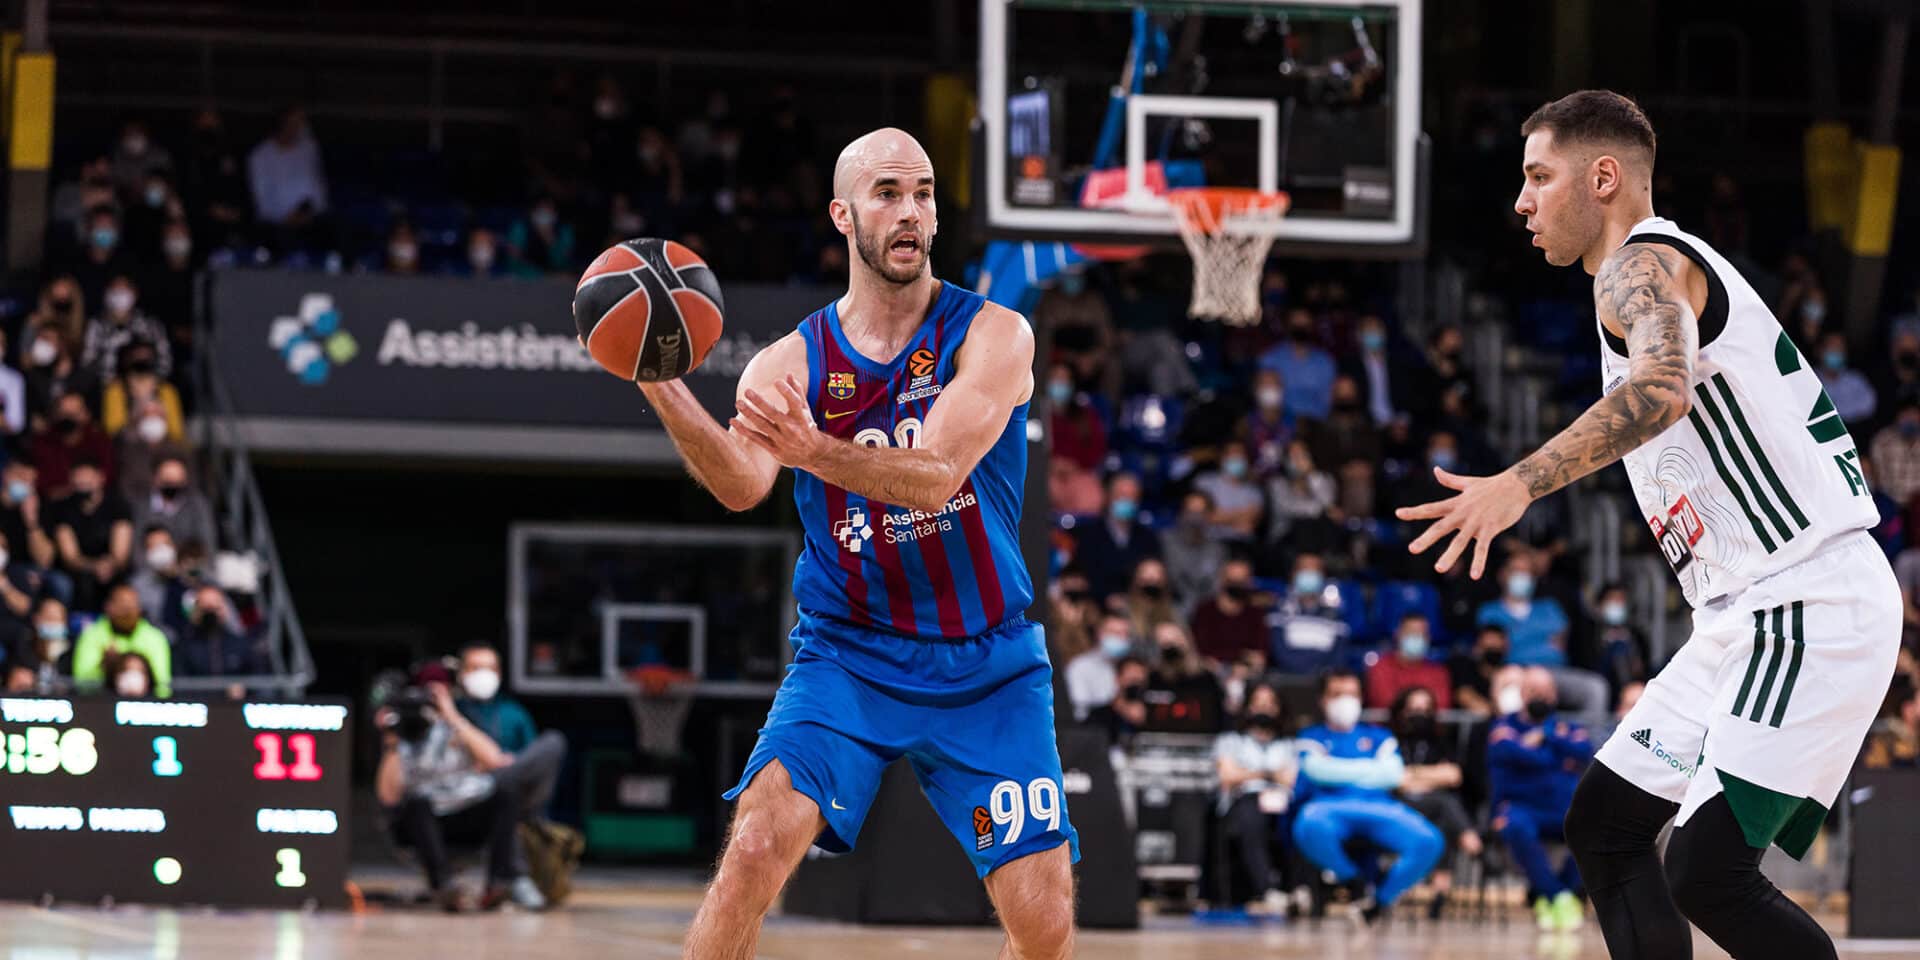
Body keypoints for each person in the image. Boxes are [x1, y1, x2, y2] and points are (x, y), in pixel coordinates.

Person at [1398, 90, 1898, 960]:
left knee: (1708, 873)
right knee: (1605, 826)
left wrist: (1518, 485)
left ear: (1603, 177)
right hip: (1742, 612)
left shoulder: (1642, 265)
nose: (1521, 201)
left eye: (1539, 177)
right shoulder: (1641, 276)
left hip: (1806, 597)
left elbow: (1662, 391)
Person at [639, 129, 1075, 958]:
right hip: (850, 657)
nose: (910, 211)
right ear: (843, 215)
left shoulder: (994, 335)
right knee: (755, 847)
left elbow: (936, 475)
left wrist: (815, 451)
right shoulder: (789, 363)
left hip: (986, 665)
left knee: (1043, 919)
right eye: (887, 193)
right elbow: (742, 484)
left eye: (923, 194)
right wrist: (659, 383)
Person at [375, 670, 548, 913]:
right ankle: (444, 887)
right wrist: (392, 741)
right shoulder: (399, 741)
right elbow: (388, 797)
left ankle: (500, 883)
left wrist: (451, 716)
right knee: (416, 802)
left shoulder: (456, 727)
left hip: (466, 814)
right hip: (424, 824)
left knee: (506, 790)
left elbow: (495, 760)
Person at [1291, 669, 1445, 924]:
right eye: (1337, 694)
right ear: (1323, 700)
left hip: (1381, 809)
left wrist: (1336, 769)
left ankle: (1379, 901)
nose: (1345, 701)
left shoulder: (1379, 736)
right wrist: (1371, 770)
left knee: (1429, 841)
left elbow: (1393, 775)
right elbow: (1316, 771)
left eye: (1351, 694)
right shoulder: (1311, 735)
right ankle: (1354, 881)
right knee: (1308, 824)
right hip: (1328, 808)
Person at [1488, 667, 1593, 932]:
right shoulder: (1503, 728)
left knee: (1593, 830)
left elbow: (1585, 752)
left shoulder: (1566, 727)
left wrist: (1546, 737)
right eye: (1534, 691)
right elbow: (1518, 754)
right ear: (1522, 694)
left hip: (1561, 809)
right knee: (1516, 826)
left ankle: (1547, 895)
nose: (1540, 697)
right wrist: (1558, 754)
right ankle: (1559, 897)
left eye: (1546, 692)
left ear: (1554, 696)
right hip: (1521, 807)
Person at [1388, 685, 1483, 919]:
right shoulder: (1390, 741)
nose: (1420, 714)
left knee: (1442, 822)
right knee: (1444, 802)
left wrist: (1413, 776)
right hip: (1397, 806)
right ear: (1401, 711)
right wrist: (1430, 776)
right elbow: (1393, 779)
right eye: (1414, 709)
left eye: (1425, 709)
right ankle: (1470, 839)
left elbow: (1453, 775)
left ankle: (1439, 894)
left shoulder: (1440, 742)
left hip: (1430, 806)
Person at [1212, 682, 1296, 913]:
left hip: (1282, 802)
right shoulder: (1231, 741)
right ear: (1248, 707)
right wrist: (1269, 774)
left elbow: (1291, 779)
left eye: (1270, 704)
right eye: (1258, 703)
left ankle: (1297, 889)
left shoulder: (1289, 744)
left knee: (1300, 819)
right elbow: (1228, 776)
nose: (1264, 709)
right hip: (1244, 801)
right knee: (1251, 816)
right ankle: (1267, 890)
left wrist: (1249, 772)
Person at [52, 460, 132, 613]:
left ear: (101, 477)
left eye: (88, 476)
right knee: (72, 583)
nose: (83, 481)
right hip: (78, 571)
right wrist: (94, 567)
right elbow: (70, 557)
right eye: (78, 476)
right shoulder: (63, 508)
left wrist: (109, 565)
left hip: (113, 570)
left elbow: (121, 554)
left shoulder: (118, 505)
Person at [72, 583, 171, 697]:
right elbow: (82, 685)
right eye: (122, 607)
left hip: (146, 703)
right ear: (108, 607)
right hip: (101, 702)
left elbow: (163, 689)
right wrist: (104, 668)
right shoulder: (91, 635)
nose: (127, 613)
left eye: (131, 607)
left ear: (139, 610)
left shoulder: (155, 638)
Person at [1075, 471, 1161, 601]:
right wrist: (1106, 598)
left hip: (1139, 604)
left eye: (1132, 496)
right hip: (1098, 603)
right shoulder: (1089, 535)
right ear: (1108, 497)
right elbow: (1084, 576)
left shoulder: (1148, 537)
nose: (1126, 501)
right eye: (1121, 495)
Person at [1268, 553, 1351, 675]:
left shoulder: (1336, 614)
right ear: (1293, 574)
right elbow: (1278, 651)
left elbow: (1338, 656)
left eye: (1314, 570)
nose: (1309, 574)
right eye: (1304, 569)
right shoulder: (1279, 609)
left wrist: (1321, 676)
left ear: (1323, 576)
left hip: (1324, 680)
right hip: (1286, 679)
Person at [81, 278, 171, 382]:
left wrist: (145, 383)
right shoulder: (96, 325)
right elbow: (87, 362)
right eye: (115, 290)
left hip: (147, 386)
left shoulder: (151, 326)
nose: (119, 295)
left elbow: (165, 363)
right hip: (105, 386)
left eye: (123, 290)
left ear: (135, 293)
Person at [1189, 558, 1271, 670]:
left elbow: (1259, 655)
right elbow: (1200, 652)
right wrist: (1242, 655)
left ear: (1249, 582)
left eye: (1242, 581)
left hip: (1246, 673)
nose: (1237, 585)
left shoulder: (1255, 614)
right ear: (1222, 579)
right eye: (1232, 581)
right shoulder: (1205, 611)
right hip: (1211, 672)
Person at [130, 456, 217, 558]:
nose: (173, 483)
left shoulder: (197, 505)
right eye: (168, 478)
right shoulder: (142, 507)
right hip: (152, 565)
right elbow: (136, 550)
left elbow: (207, 544)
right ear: (155, 478)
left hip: (189, 564)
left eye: (178, 479)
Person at [31, 393, 113, 500]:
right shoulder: (42, 443)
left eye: (75, 413)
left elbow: (108, 476)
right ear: (54, 415)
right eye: (63, 413)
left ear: (87, 414)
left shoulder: (99, 440)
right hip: (52, 503)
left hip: (96, 501)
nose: (69, 417)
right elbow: (39, 483)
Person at [1367, 614, 1452, 709]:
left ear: (1428, 638)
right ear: (1398, 634)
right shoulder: (1381, 668)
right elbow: (1383, 701)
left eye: (1421, 633)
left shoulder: (1438, 673)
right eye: (1411, 632)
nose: (1416, 637)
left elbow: (1441, 705)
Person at [1161, 490, 1226, 614]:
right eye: (1190, 512)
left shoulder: (1218, 550)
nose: (1195, 518)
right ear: (1181, 513)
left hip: (1205, 614)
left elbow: (1215, 588)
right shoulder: (1165, 542)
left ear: (1210, 516)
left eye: (1201, 513)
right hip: (1169, 611)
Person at [1064, 613, 1131, 722]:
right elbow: (1079, 711)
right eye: (1115, 633)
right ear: (1100, 634)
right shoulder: (1080, 667)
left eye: (1126, 633)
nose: (1122, 638)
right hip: (1093, 727)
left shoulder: (1134, 666)